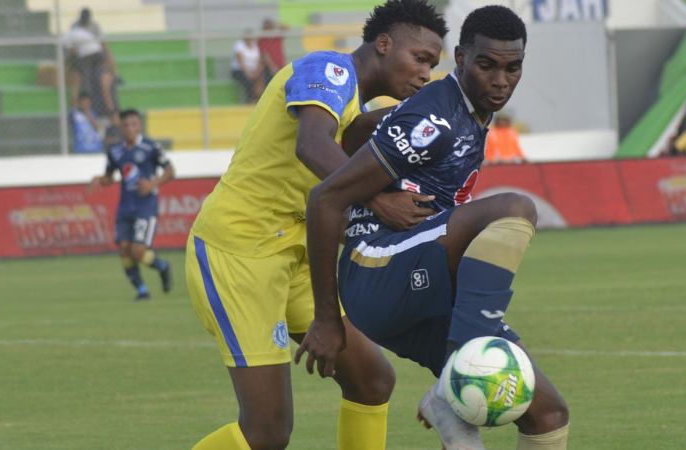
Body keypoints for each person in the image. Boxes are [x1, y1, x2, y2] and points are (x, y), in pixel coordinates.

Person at [298, 6, 569, 450]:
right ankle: (458, 376)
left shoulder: (470, 110)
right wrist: (328, 319)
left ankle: (453, 395)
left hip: (424, 284)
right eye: (487, 66)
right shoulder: (435, 119)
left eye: (512, 68)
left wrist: (372, 135)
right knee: (514, 208)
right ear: (460, 58)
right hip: (378, 268)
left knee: (547, 414)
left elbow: (354, 134)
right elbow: (324, 199)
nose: (500, 80)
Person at [183, 1, 447, 449]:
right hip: (240, 252)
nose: (425, 72)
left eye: (433, 65)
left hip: (295, 254)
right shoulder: (329, 70)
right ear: (383, 44)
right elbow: (311, 144)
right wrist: (379, 200)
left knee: (371, 379)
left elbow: (340, 164)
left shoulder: (353, 110)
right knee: (266, 433)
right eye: (420, 58)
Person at [87, 109, 174, 300]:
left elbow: (170, 171)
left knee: (138, 250)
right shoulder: (116, 151)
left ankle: (163, 267)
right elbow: (111, 177)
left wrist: (152, 184)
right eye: (125, 125)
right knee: (124, 249)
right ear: (120, 127)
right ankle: (142, 290)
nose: (129, 128)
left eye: (133, 124)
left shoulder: (151, 148)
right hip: (125, 207)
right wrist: (100, 179)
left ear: (139, 126)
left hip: (145, 207)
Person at [65, 8, 120, 125]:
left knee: (101, 80)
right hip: (81, 57)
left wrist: (110, 65)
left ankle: (108, 110)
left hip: (94, 55)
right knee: (85, 80)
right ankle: (84, 107)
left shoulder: (94, 26)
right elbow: (71, 48)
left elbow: (103, 44)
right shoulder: (75, 26)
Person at [231, 28, 267, 103]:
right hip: (240, 70)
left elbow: (260, 61)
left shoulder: (255, 46)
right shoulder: (239, 45)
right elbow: (240, 61)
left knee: (264, 75)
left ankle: (260, 97)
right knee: (248, 80)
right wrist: (248, 73)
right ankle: (250, 100)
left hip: (253, 70)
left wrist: (256, 72)